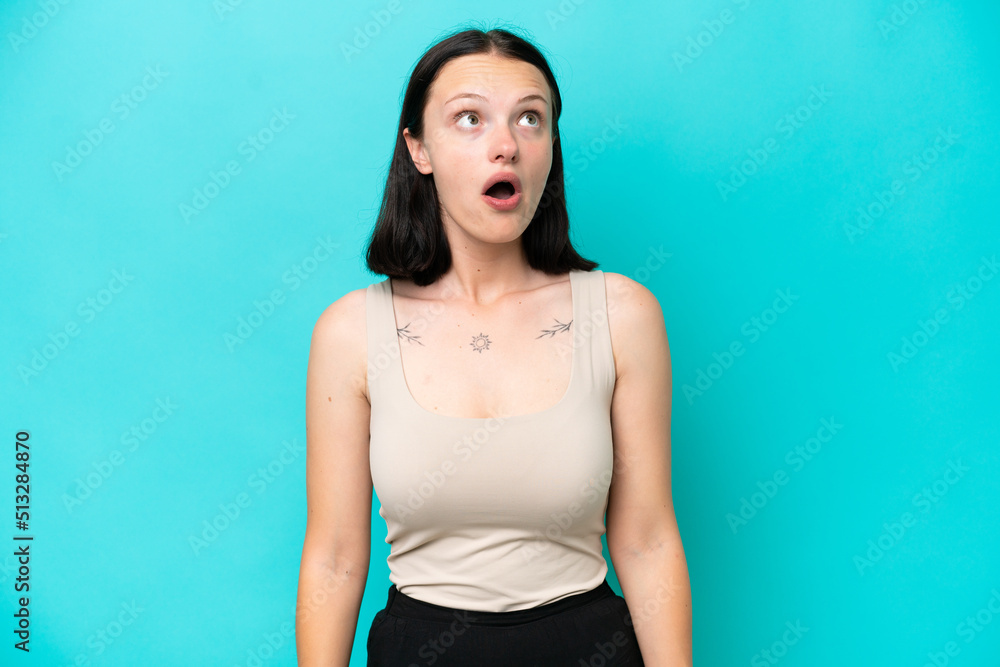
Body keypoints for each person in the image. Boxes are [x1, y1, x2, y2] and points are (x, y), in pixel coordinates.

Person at [296, 25, 692, 666]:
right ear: (418, 148)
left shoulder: (622, 315)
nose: (506, 145)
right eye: (470, 119)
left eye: (530, 119)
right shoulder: (350, 331)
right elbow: (335, 559)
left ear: (550, 149)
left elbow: (647, 541)